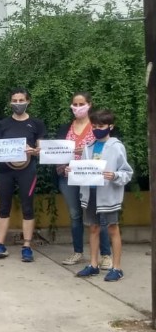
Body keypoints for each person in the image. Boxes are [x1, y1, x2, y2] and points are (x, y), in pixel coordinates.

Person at [0, 88, 46, 262]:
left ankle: (27, 246)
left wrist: (33, 151)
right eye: (15, 100)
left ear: (28, 101)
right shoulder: (2, 124)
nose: (18, 104)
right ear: (10, 102)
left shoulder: (36, 124)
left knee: (28, 207)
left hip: (28, 171)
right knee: (4, 206)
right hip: (5, 171)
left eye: (21, 100)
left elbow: (41, 151)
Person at [71, 110, 132, 282]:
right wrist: (72, 170)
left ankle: (117, 267)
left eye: (101, 126)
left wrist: (114, 176)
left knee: (112, 228)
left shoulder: (117, 147)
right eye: (95, 126)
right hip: (90, 193)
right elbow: (83, 169)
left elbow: (126, 172)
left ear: (110, 127)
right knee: (93, 228)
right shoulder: (88, 148)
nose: (98, 129)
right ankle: (93, 264)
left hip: (108, 194)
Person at [56, 92, 111, 268]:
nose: (77, 108)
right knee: (75, 215)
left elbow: (106, 150)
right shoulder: (65, 128)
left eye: (81, 104)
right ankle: (78, 252)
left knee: (98, 216)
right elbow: (57, 153)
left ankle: (106, 255)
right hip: (69, 177)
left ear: (89, 104)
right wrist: (59, 165)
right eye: (75, 104)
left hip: (92, 177)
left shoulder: (97, 127)